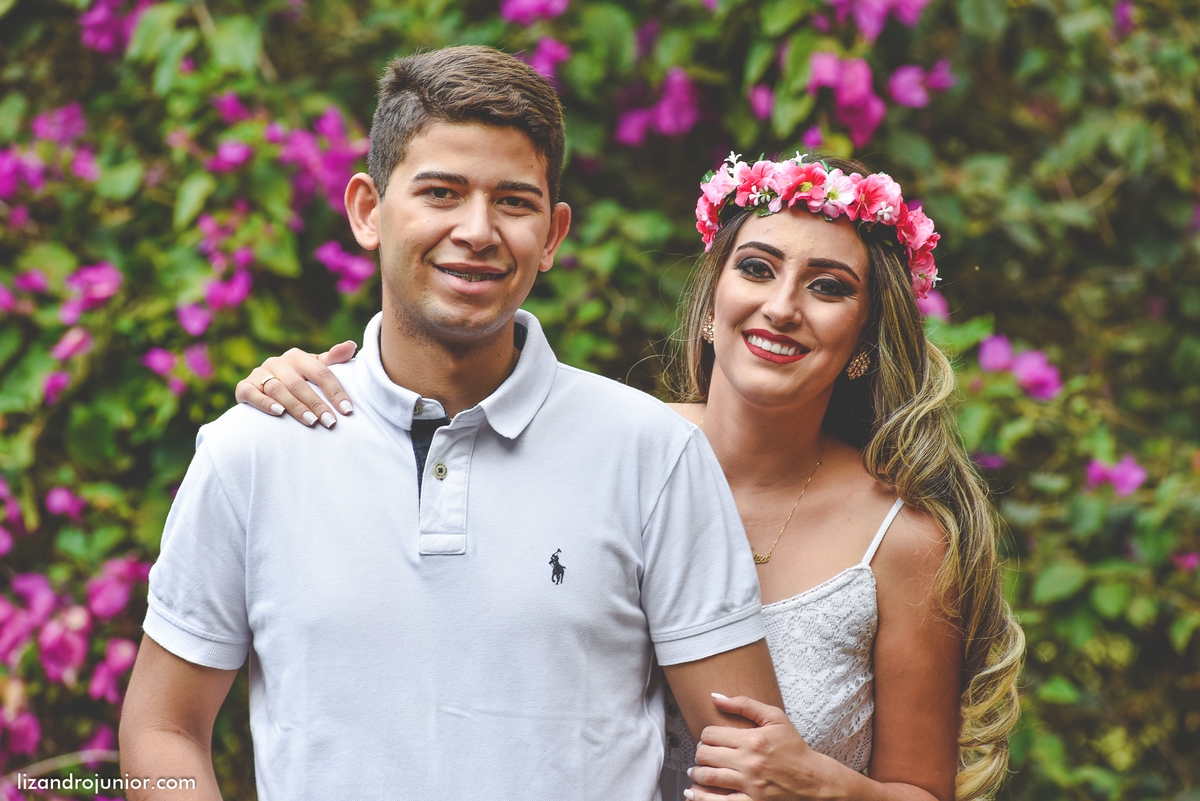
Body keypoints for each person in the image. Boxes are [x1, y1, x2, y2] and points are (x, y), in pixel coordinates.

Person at [239, 152, 1025, 801]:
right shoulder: (615, 450)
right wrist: (313, 391)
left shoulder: (905, 540)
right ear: (713, 306)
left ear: (862, 342)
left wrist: (820, 784)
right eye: (758, 268)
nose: (783, 307)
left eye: (828, 287)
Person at [120, 46, 786, 801]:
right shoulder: (252, 450)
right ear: (369, 210)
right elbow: (161, 728)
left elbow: (749, 760)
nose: (477, 229)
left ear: (554, 234)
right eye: (440, 192)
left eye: (513, 201)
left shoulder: (653, 454)